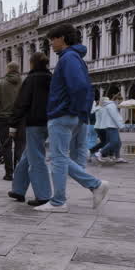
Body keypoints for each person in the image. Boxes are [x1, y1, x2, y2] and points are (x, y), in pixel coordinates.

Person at [37, 24, 109, 213]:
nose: (51, 43)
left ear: (63, 38)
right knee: (60, 158)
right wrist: (80, 113)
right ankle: (82, 190)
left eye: (53, 38)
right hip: (70, 114)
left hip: (63, 114)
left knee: (58, 158)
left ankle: (62, 200)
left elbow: (80, 88)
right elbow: (85, 89)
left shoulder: (68, 58)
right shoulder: (73, 58)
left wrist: (71, 110)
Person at [7, 52, 52, 206]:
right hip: (49, 122)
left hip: (34, 123)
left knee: (36, 159)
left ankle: (43, 195)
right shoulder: (51, 78)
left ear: (32, 63)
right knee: (28, 155)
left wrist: (13, 123)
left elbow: (22, 103)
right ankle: (18, 189)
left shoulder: (31, 79)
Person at [0, 63, 23, 181]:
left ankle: (9, 173)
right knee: (20, 145)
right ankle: (20, 172)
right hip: (19, 119)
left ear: (8, 70)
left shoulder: (1, 84)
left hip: (4, 119)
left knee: (6, 146)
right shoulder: (23, 83)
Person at [90, 91, 124, 164]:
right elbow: (115, 116)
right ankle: (100, 153)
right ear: (117, 100)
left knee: (117, 142)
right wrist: (121, 125)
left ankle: (115, 156)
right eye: (120, 102)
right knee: (112, 142)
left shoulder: (107, 106)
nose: (120, 104)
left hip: (108, 126)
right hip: (110, 126)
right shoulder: (111, 106)